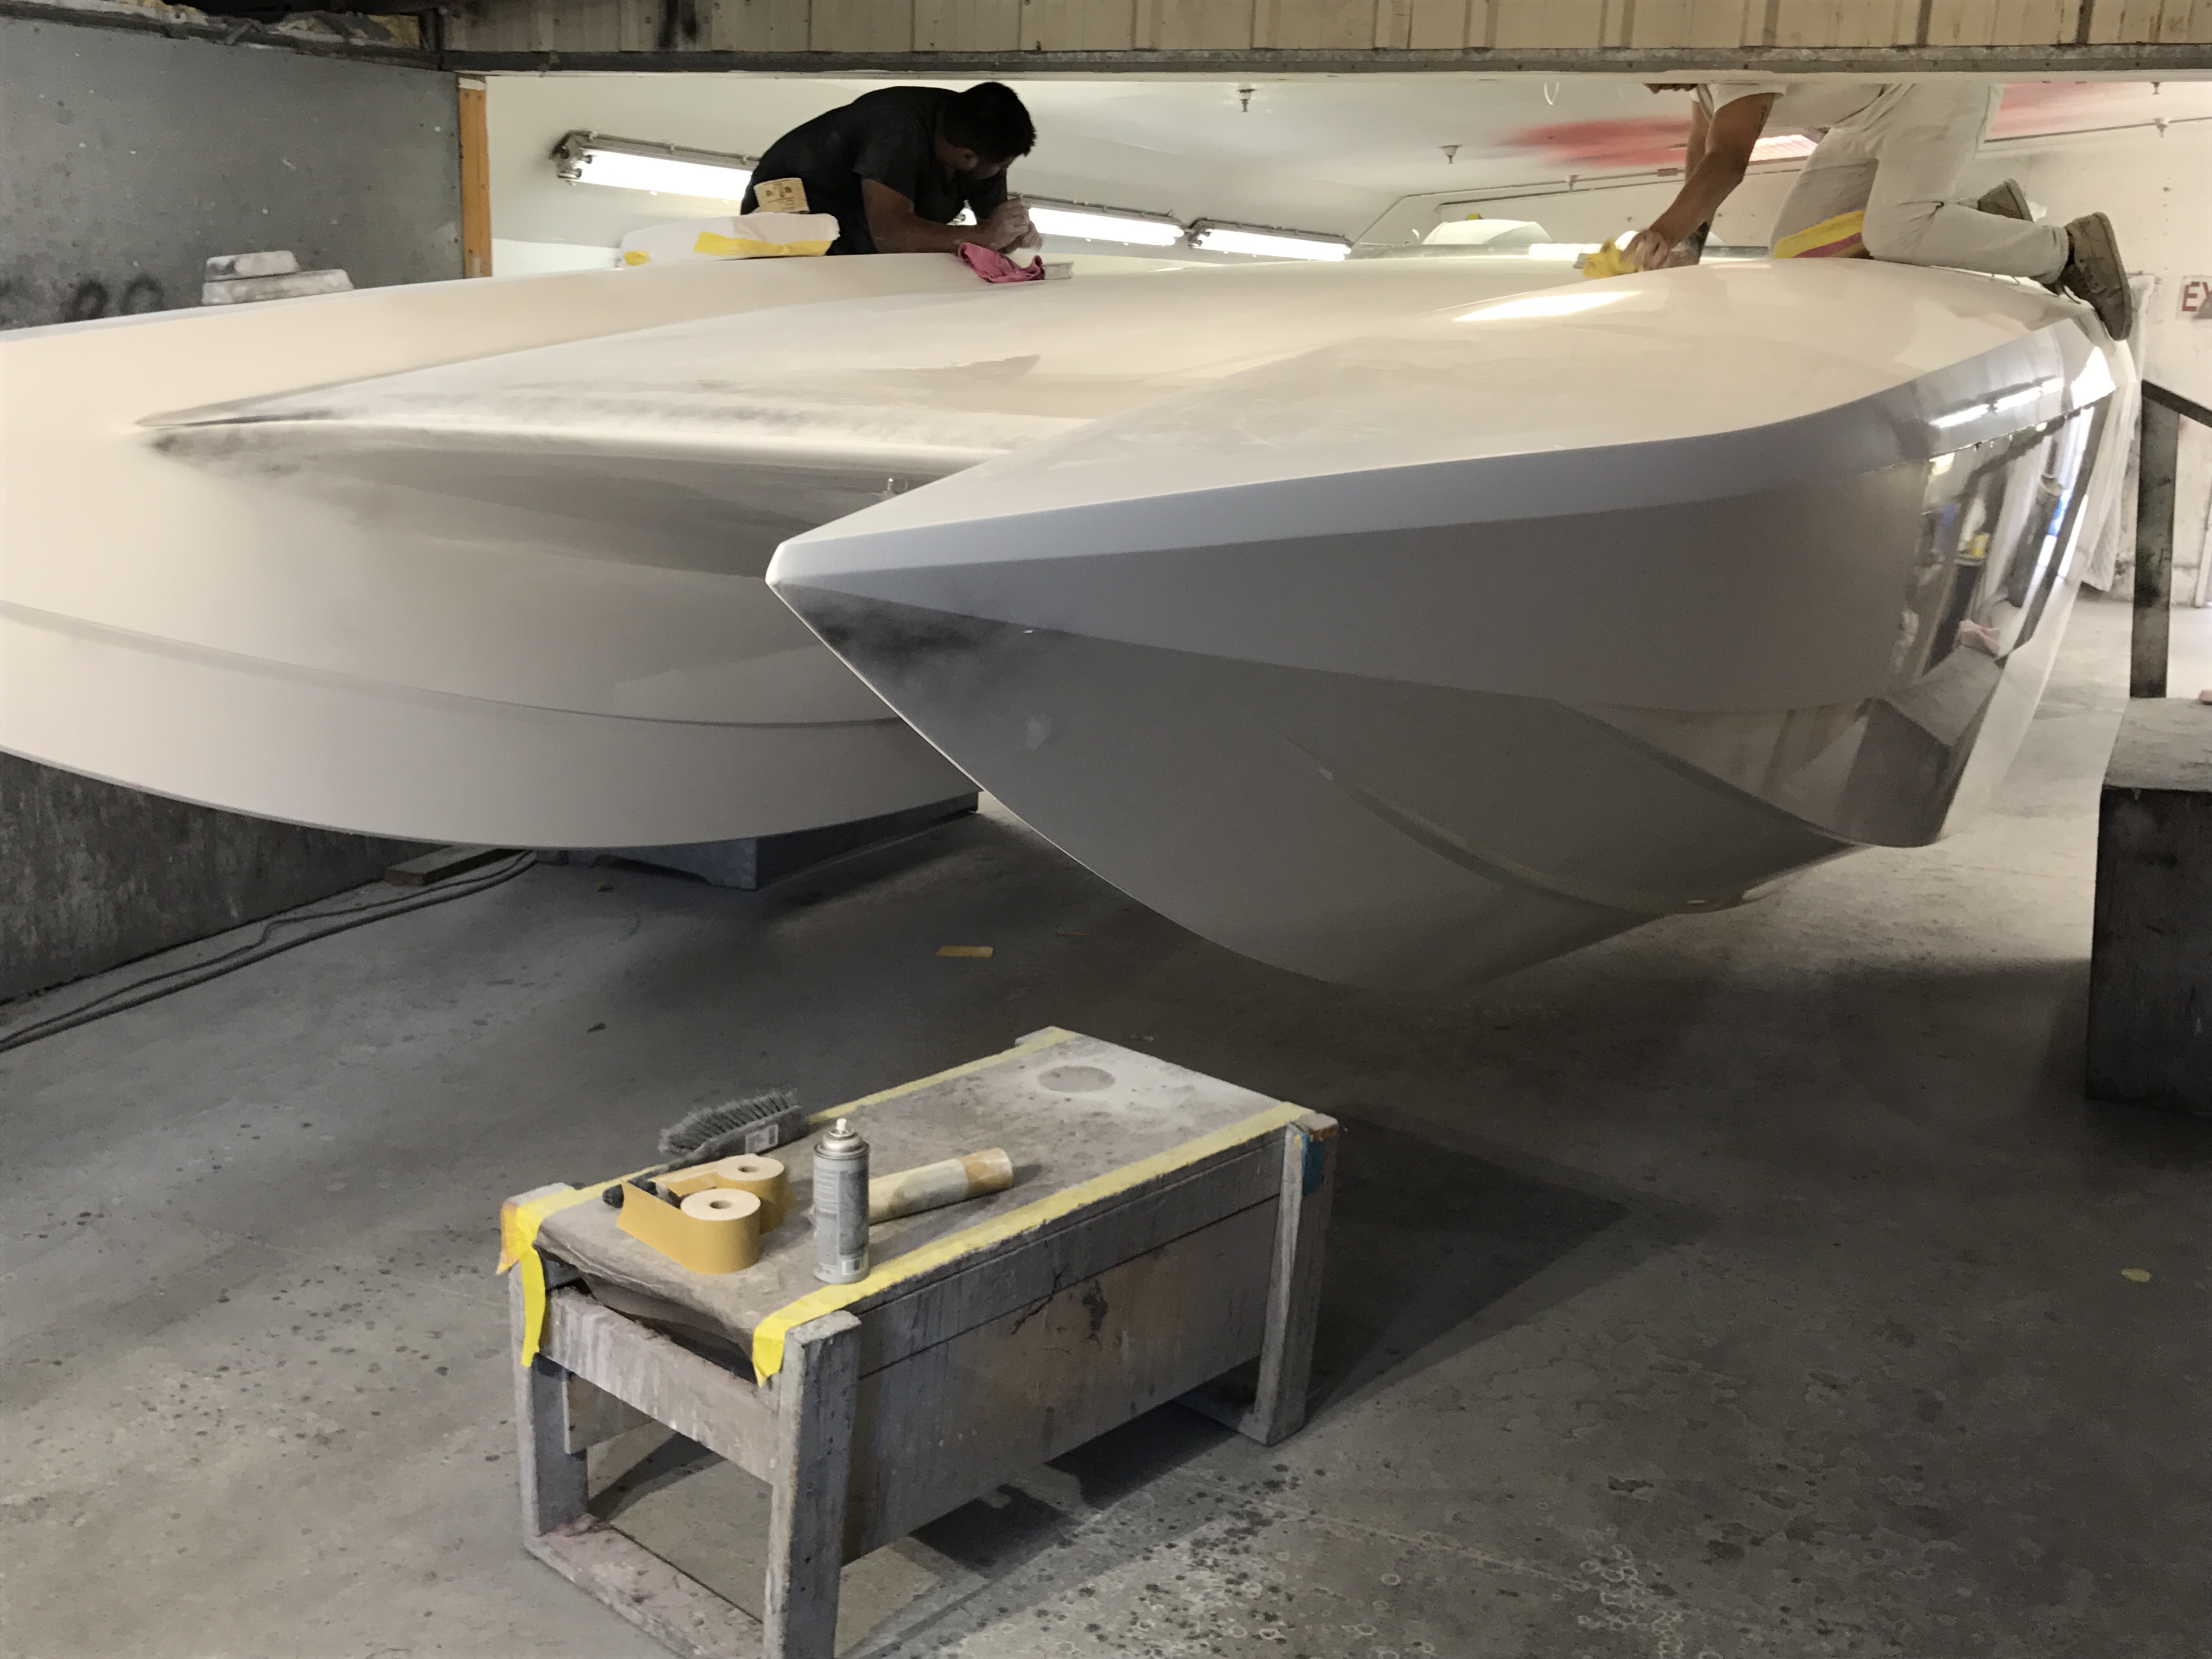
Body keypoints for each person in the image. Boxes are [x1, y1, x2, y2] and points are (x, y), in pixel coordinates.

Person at [1623, 81, 2134, 340]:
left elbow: (1728, 161)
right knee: (1798, 246)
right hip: (1869, 117)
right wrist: (1687, 245)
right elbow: (1703, 146)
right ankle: (1983, 217)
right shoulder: (1700, 73)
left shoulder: (1730, 63)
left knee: (1896, 232)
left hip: (1937, 93)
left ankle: (2069, 250)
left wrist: (1661, 233)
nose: (1641, 85)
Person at [741, 82, 1042, 259]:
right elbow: (891, 235)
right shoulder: (895, 128)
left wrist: (1012, 234)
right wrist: (987, 235)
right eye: (1002, 166)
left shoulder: (982, 141)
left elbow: (990, 233)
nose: (1002, 172)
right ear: (967, 157)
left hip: (862, 242)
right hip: (791, 217)